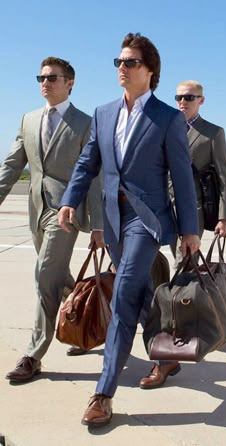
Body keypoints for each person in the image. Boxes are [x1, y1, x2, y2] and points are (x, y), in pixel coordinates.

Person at [58, 33, 200, 427]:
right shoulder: (104, 113)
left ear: (149, 70)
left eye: (131, 62)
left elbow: (183, 180)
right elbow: (88, 163)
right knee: (137, 297)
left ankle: (104, 393)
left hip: (147, 220)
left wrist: (190, 229)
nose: (122, 67)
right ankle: (165, 358)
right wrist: (71, 198)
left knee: (122, 296)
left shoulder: (168, 118)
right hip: (113, 219)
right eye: (118, 61)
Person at [3, 56, 104, 384]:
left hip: (67, 212)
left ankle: (34, 354)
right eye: (41, 77)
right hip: (37, 209)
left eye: (52, 77)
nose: (45, 82)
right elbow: (12, 165)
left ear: (69, 82)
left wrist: (98, 224)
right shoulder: (28, 120)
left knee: (45, 274)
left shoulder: (85, 123)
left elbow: (94, 176)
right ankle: (86, 324)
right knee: (58, 278)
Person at [171, 80, 226, 265]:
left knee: (185, 261)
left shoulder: (213, 133)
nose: (183, 101)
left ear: (201, 100)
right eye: (179, 97)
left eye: (189, 97)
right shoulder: (167, 130)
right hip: (165, 206)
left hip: (193, 209)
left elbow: (223, 176)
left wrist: (224, 218)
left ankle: (184, 294)